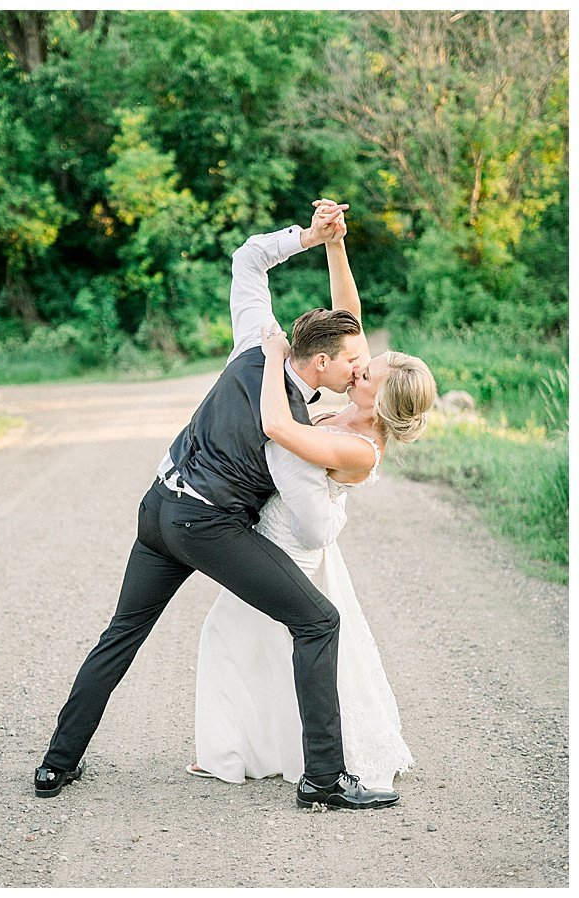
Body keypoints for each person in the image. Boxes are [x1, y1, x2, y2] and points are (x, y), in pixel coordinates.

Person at [36, 201, 402, 811]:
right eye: (352, 364)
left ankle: (55, 764)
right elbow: (305, 510)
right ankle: (324, 779)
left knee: (121, 635)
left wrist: (314, 240)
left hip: (156, 505)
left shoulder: (252, 343)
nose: (359, 370)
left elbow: (250, 261)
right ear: (321, 363)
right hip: (204, 524)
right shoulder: (289, 420)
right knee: (318, 621)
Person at [189, 204, 435, 790]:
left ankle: (231, 756)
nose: (357, 367)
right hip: (280, 533)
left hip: (292, 547)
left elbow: (278, 427)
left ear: (380, 397)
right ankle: (245, 750)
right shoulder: (355, 408)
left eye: (365, 370)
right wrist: (333, 243)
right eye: (358, 362)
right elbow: (346, 321)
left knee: (237, 634)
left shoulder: (359, 447)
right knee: (257, 642)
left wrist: (274, 358)